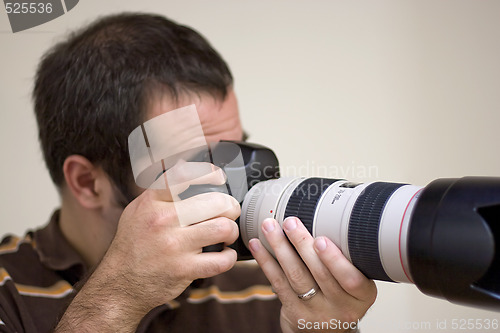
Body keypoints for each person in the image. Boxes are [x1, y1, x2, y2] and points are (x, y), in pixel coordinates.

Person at [0, 13, 377, 332]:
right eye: (199, 162)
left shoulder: (273, 294)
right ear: (88, 183)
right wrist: (118, 297)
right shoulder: (8, 292)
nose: (233, 190)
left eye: (237, 154)